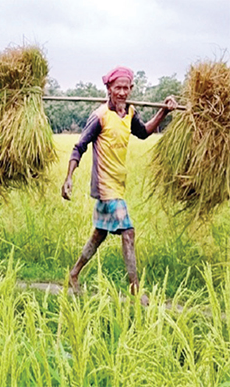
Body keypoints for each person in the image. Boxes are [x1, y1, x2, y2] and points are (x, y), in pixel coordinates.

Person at [61, 66, 178, 305]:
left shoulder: (130, 113)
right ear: (109, 89)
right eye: (118, 88)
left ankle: (74, 274)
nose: (122, 92)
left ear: (131, 89)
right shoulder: (100, 116)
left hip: (118, 184)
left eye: (126, 88)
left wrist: (164, 113)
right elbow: (79, 147)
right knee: (128, 231)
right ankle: (135, 290)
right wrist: (69, 177)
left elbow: (144, 133)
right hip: (105, 187)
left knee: (99, 235)